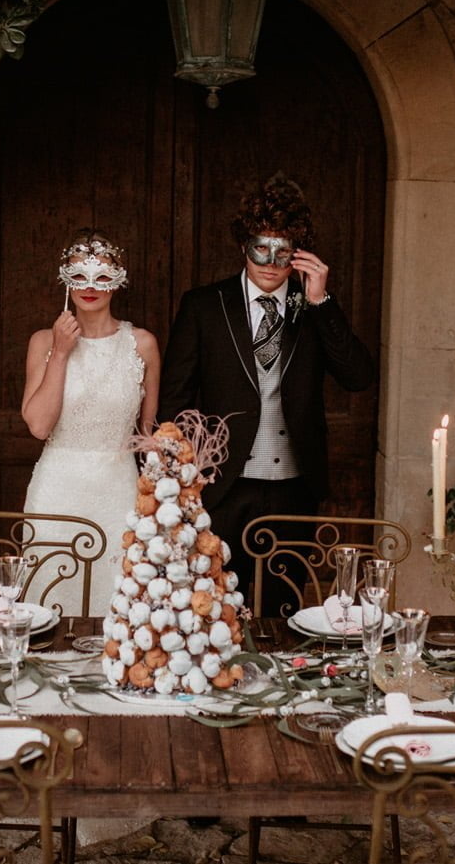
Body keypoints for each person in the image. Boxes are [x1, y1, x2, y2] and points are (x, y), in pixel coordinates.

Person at [158, 173, 376, 616]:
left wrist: (321, 303)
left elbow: (358, 376)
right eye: (262, 247)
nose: (271, 262)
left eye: (283, 251)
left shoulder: (311, 306)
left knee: (286, 608)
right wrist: (181, 480)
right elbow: (175, 400)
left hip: (295, 485)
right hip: (222, 484)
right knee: (213, 606)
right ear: (244, 245)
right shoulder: (204, 305)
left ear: (298, 253)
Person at [20, 230, 160, 617]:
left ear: (118, 281)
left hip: (119, 490)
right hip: (57, 488)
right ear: (66, 278)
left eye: (102, 276)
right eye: (80, 275)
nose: (90, 286)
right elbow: (38, 426)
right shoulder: (43, 342)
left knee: (118, 604)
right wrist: (61, 354)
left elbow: (147, 434)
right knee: (50, 602)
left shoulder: (143, 344)